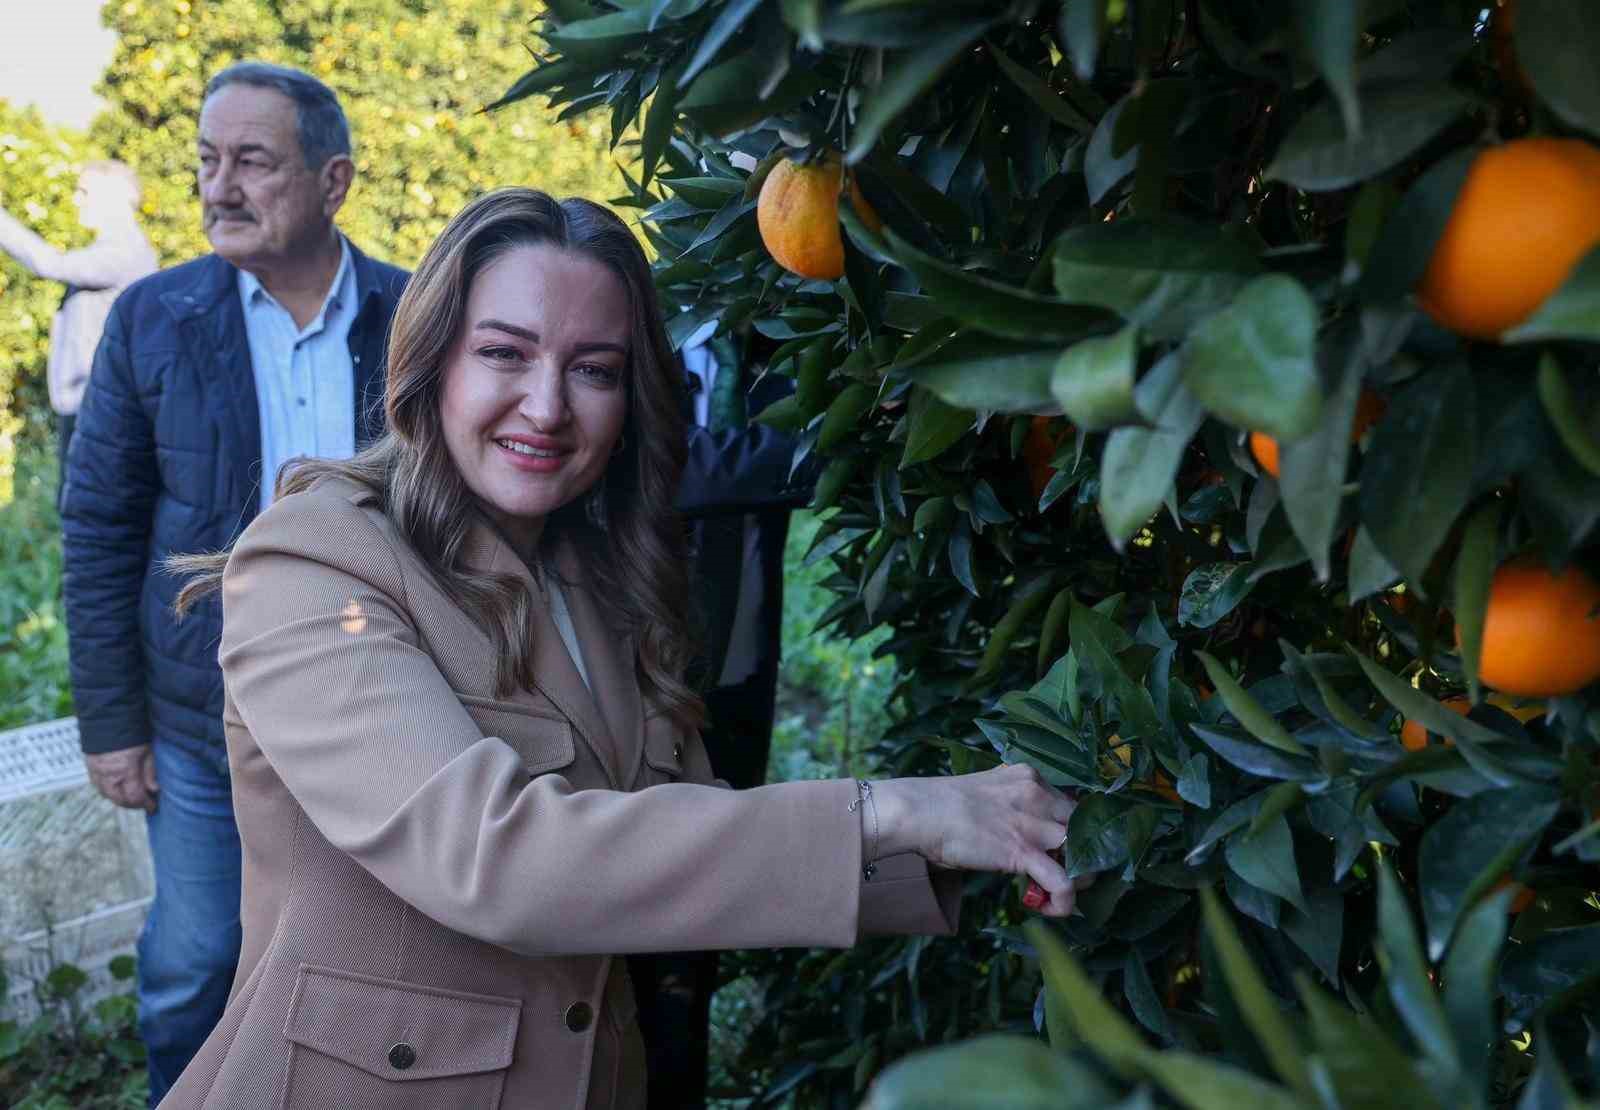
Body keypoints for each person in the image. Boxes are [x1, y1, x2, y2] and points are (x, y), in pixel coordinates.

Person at [156, 188, 1085, 1109]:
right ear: (433, 361)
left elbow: (670, 832)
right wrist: (890, 813)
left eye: (594, 370)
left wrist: (987, 836)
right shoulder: (316, 565)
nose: (548, 406)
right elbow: (497, 860)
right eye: (504, 354)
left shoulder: (593, 573)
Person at [58, 62, 408, 1107]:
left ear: (332, 179)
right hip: (205, 714)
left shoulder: (413, 313)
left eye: (252, 161)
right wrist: (112, 723)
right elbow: (98, 529)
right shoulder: (154, 319)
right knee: (194, 962)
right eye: (207, 161)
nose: (219, 187)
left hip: (381, 703)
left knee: (377, 952)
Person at [633, 325, 814, 1106]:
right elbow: (669, 466)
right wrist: (839, 454)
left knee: (701, 931)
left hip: (736, 673)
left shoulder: (783, 349)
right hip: (636, 686)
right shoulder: (633, 327)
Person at [0, 159, 157, 487]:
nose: (76, 200)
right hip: (90, 404)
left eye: (85, 191)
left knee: (85, 512)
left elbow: (49, 264)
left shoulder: (125, 251)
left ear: (116, 196)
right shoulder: (115, 248)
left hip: (97, 407)